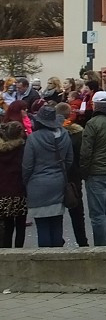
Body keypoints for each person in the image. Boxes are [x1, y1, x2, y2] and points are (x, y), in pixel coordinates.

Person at [22, 106, 72, 247]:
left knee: (42, 225)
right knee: (57, 223)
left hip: (37, 185)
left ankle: (45, 262)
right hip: (58, 182)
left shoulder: (33, 139)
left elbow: (27, 166)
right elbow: (69, 160)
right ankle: (58, 258)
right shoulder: (65, 135)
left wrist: (26, 182)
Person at [54, 103, 89, 247]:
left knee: (57, 211)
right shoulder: (78, 134)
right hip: (74, 175)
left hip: (56, 174)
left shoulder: (53, 133)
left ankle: (57, 240)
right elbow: (82, 154)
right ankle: (82, 241)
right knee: (77, 211)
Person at [0, 122, 27, 248]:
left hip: (3, 192)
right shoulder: (21, 149)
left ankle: (7, 252)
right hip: (19, 191)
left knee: (8, 225)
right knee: (21, 226)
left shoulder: (2, 151)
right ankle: (19, 250)